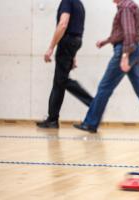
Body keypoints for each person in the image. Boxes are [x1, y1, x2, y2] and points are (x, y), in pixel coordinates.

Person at [73, 0, 139, 134]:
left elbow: (129, 33)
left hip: (126, 51)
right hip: (134, 50)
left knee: (105, 87)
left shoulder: (126, 8)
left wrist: (124, 56)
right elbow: (121, 33)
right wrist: (105, 42)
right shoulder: (128, 6)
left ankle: (90, 123)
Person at [37, 0, 93, 129]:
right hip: (74, 42)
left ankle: (93, 103)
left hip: (67, 42)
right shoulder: (79, 4)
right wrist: (73, 55)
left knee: (61, 80)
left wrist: (51, 47)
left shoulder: (67, 1)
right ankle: (52, 119)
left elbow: (63, 24)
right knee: (58, 82)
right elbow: (78, 29)